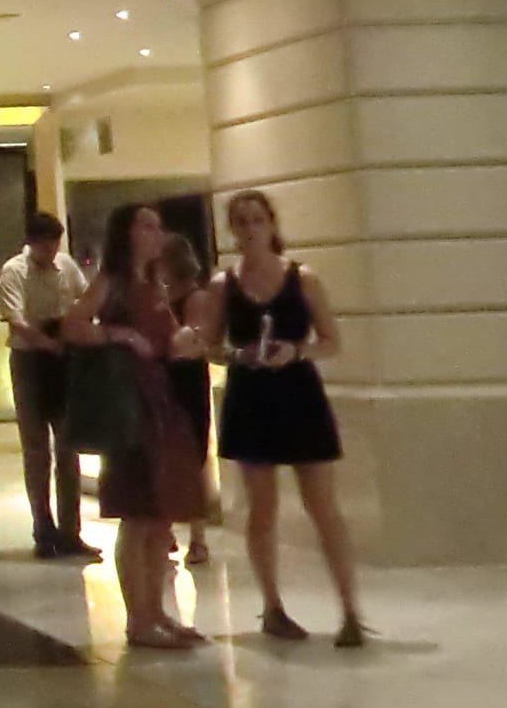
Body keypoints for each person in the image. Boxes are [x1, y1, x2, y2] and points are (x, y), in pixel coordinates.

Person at [195, 189, 365, 647]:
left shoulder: (302, 278)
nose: (250, 229)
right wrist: (239, 354)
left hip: (298, 392)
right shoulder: (223, 285)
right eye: (241, 221)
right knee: (261, 507)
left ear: (271, 225)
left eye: (257, 220)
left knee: (322, 504)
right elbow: (209, 345)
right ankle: (272, 606)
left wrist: (296, 350)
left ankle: (350, 609)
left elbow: (331, 340)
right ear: (232, 230)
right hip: (251, 394)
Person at [64, 205, 207, 649]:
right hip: (130, 404)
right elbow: (73, 325)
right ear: (126, 232)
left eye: (158, 226)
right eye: (147, 225)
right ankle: (138, 619)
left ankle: (156, 610)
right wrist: (119, 336)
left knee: (159, 515)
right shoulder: (113, 280)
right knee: (137, 513)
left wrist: (194, 338)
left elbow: (169, 338)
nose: (156, 233)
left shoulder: (154, 283)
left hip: (159, 400)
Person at [0, 213, 92, 559]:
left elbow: (86, 299)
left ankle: (71, 532)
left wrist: (74, 331)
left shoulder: (65, 266)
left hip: (63, 360)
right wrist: (48, 343)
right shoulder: (13, 271)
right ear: (32, 242)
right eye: (46, 246)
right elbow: (16, 320)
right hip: (30, 362)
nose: (51, 252)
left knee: (69, 446)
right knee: (36, 449)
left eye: (55, 245)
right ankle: (43, 529)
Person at [159, 232, 219, 566]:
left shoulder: (195, 298)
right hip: (166, 378)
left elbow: (196, 343)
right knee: (166, 455)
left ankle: (197, 537)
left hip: (186, 380)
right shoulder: (164, 297)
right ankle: (167, 528)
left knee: (192, 456)